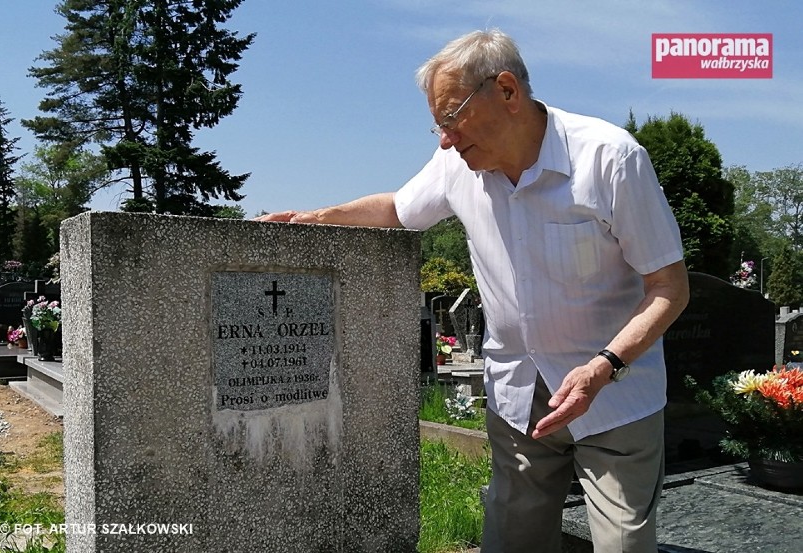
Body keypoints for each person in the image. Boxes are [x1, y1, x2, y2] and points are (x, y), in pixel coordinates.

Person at [258, 29, 689, 553]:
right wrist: (316, 219)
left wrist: (604, 365)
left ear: (507, 91)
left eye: (451, 118)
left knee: (623, 546)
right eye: (436, 125)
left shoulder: (610, 160)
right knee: (511, 542)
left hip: (613, 392)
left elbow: (669, 287)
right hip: (517, 394)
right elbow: (399, 210)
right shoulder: (455, 165)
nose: (444, 139)